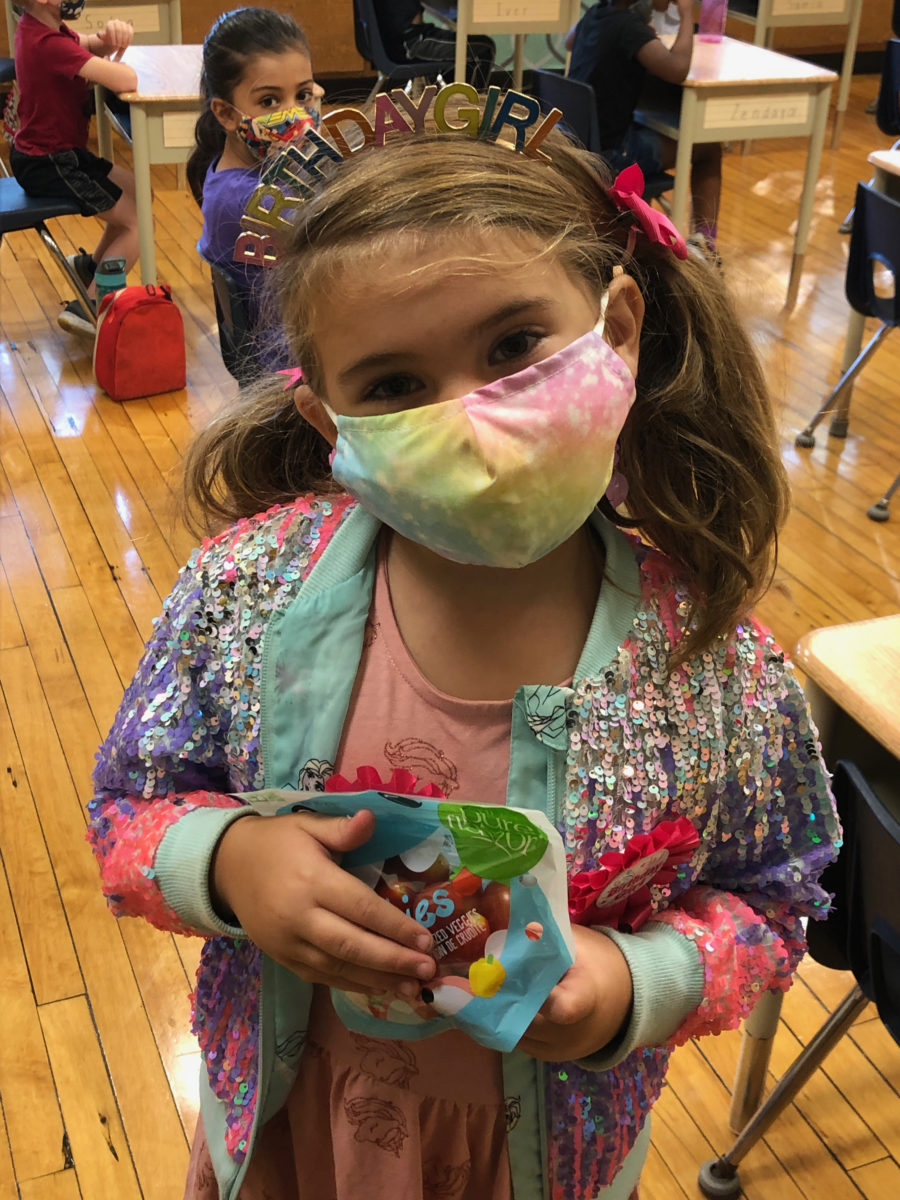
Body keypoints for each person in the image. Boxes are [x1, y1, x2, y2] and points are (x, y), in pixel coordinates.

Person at [88, 107, 839, 1200]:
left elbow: (774, 902)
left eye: (511, 346)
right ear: (327, 415)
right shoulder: (239, 596)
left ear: (617, 325)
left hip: (546, 1162)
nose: (473, 420)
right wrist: (234, 863)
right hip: (293, 1134)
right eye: (393, 386)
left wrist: (634, 984)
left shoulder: (714, 663)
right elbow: (129, 806)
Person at [186, 7, 324, 376]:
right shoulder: (243, 199)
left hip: (304, 344)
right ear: (227, 114)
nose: (294, 114)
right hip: (293, 370)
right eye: (269, 101)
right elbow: (335, 226)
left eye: (303, 94)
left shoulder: (248, 172)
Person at [10, 0, 139, 336]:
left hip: (51, 154)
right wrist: (111, 50)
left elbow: (92, 44)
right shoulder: (48, 44)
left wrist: (112, 35)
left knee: (138, 189)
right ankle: (91, 306)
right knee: (137, 226)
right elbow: (126, 79)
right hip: (50, 161)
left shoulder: (42, 28)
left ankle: (89, 268)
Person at [567, 0, 722, 250]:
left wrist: (638, 36)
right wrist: (685, 14)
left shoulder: (598, 14)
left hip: (581, 144)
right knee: (709, 149)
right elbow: (677, 69)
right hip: (613, 154)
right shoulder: (628, 27)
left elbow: (569, 42)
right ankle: (705, 246)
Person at [372, 0, 495, 90]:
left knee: (468, 42)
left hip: (392, 41)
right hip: (410, 43)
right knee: (484, 48)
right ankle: (468, 110)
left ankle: (452, 103)